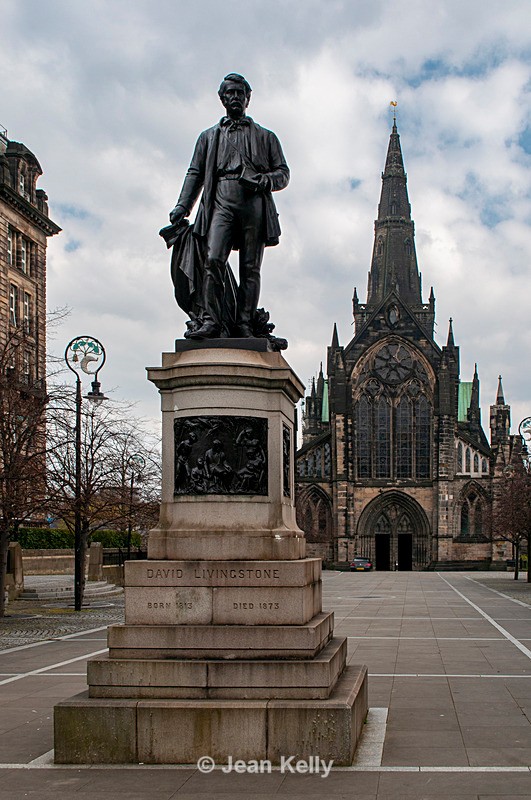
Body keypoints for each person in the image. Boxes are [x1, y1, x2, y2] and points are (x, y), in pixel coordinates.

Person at [168, 73, 289, 339]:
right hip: (220, 198)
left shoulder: (266, 137)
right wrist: (182, 206)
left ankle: (244, 323)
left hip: (254, 202)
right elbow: (195, 173)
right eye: (230, 93)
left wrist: (260, 180)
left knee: (250, 267)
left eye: (240, 93)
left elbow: (283, 174)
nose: (235, 98)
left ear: (248, 98)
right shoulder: (208, 137)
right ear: (222, 98)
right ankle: (211, 320)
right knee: (213, 259)